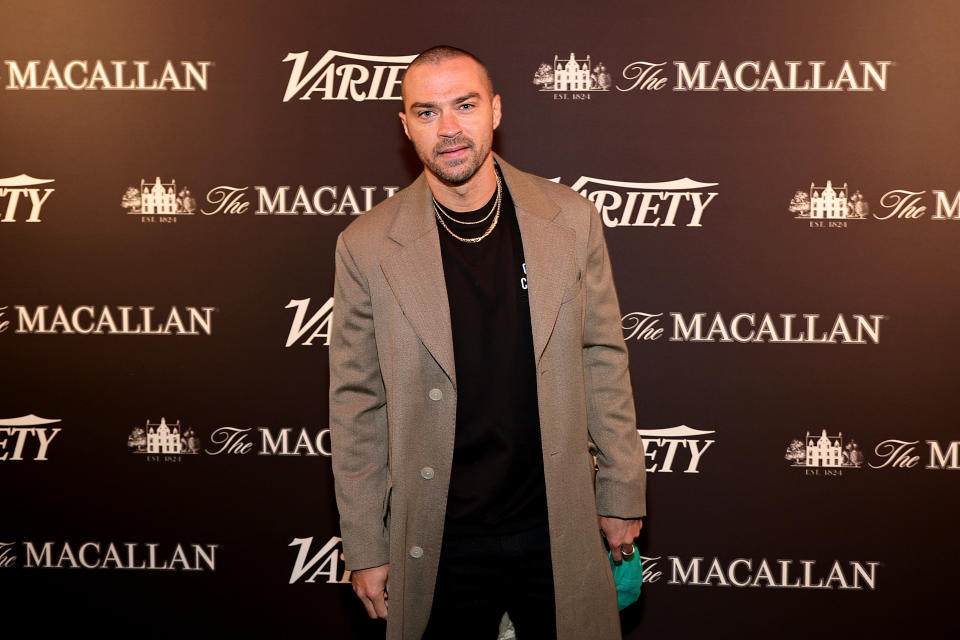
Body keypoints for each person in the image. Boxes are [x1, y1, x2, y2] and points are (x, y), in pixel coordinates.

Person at [329, 45, 646, 640]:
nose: (448, 129)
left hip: (556, 521)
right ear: (405, 127)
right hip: (440, 536)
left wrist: (622, 489)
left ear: (495, 111)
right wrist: (366, 544)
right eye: (426, 112)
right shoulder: (366, 246)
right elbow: (356, 403)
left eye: (464, 106)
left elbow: (602, 354)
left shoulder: (571, 220)